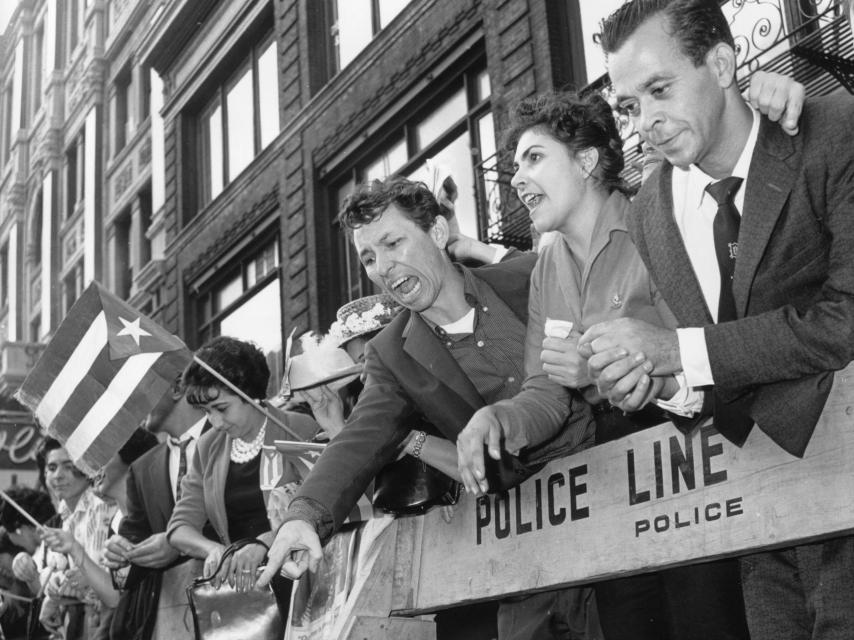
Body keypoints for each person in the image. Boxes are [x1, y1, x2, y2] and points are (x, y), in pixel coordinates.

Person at [581, 1, 854, 638]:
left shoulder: (830, 131)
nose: (644, 122)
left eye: (658, 90)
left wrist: (677, 351)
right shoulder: (649, 211)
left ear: (724, 64)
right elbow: (718, 365)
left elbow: (843, 319)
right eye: (628, 106)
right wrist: (661, 384)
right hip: (759, 518)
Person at [258, 177, 597, 640]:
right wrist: (304, 516)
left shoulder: (529, 278)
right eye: (369, 257)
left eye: (393, 242)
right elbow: (361, 437)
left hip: (618, 494)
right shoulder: (391, 353)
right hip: (524, 545)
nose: (382, 266)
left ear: (437, 233)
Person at [494, 89, 749, 640]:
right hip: (612, 470)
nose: (516, 178)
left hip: (694, 451)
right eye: (515, 166)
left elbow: (698, 348)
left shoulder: (656, 225)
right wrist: (499, 423)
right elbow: (546, 391)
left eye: (533, 158)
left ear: (587, 162)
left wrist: (606, 371)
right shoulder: (545, 267)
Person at [166, 336, 319, 622]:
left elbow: (322, 507)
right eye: (206, 412)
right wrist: (216, 550)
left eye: (222, 408)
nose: (215, 422)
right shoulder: (207, 447)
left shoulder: (299, 428)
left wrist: (265, 542)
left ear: (251, 394)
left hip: (304, 583)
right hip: (247, 603)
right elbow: (179, 529)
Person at [102, 375, 208, 640]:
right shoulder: (141, 468)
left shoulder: (229, 438)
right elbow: (133, 540)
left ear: (175, 387)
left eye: (140, 391)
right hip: (170, 623)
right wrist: (119, 555)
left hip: (239, 613)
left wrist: (179, 543)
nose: (133, 404)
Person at [40, 429, 158, 640]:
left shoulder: (145, 515)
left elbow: (113, 595)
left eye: (101, 456)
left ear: (132, 461)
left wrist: (76, 552)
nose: (91, 466)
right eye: (51, 468)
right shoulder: (116, 519)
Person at [32, 438, 115, 640]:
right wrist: (54, 593)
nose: (58, 475)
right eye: (52, 468)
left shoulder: (101, 504)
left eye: (68, 467)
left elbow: (107, 582)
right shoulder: (64, 515)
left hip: (108, 620)